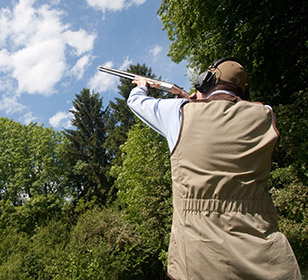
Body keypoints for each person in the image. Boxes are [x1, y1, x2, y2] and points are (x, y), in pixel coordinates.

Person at [127, 58, 302, 280]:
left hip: (199, 259)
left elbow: (137, 103)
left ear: (205, 82)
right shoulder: (266, 115)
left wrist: (142, 86)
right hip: (266, 256)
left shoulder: (178, 112)